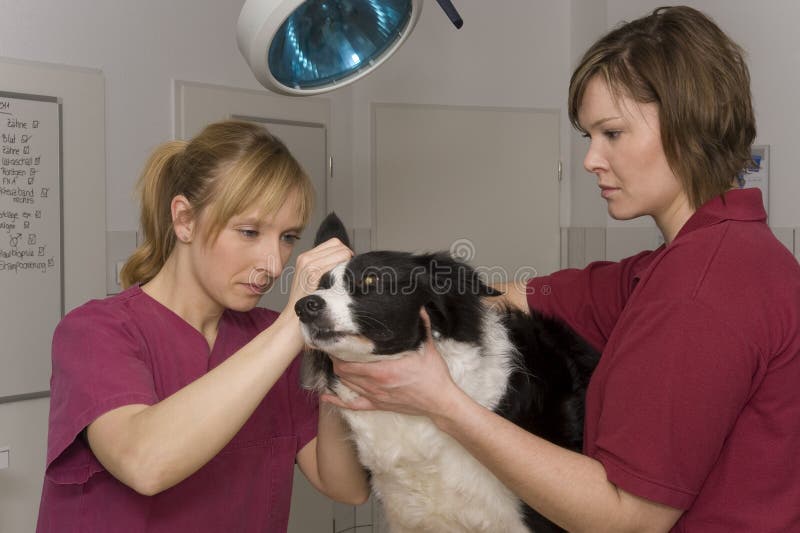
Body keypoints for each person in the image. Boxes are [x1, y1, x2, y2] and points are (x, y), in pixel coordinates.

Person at [324, 6, 800, 532]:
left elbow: (629, 521)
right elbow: (523, 296)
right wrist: (381, 297)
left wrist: (444, 405)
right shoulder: (696, 261)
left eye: (612, 133)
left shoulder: (703, 290)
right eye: (587, 137)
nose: (590, 160)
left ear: (689, 125)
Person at [36, 120, 369, 532]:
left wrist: (337, 356)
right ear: (185, 220)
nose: (273, 264)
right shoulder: (94, 331)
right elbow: (145, 463)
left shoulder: (274, 339)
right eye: (249, 232)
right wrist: (291, 326)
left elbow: (347, 487)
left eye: (287, 237)